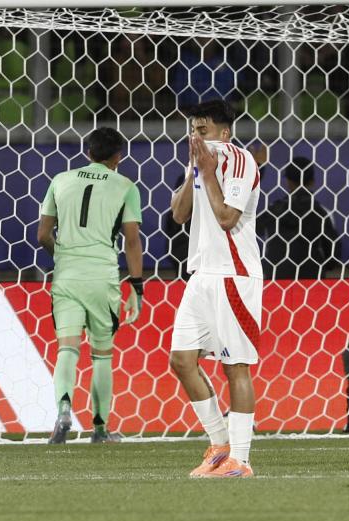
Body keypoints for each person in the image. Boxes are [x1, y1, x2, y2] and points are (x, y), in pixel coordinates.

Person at [169, 100, 261, 478]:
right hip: (202, 275)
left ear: (225, 133)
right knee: (181, 360)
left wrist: (207, 172)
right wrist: (196, 171)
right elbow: (178, 214)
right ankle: (220, 446)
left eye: (203, 131)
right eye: (193, 130)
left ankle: (241, 460)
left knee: (234, 367)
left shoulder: (240, 161)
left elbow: (227, 218)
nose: (196, 137)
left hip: (234, 274)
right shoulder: (198, 163)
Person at [37, 127, 144, 444]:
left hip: (67, 276)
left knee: (67, 349)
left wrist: (66, 257)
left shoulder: (60, 180)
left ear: (87, 153)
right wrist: (136, 286)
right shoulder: (126, 186)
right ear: (117, 158)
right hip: (103, 278)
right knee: (101, 356)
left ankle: (63, 409)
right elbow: (132, 239)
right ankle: (100, 429)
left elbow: (43, 234)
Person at [257, 157, 341, 279]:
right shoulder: (322, 213)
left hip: (276, 281)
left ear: (288, 182)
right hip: (312, 282)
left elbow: (252, 231)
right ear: (312, 181)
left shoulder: (273, 210)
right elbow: (333, 255)